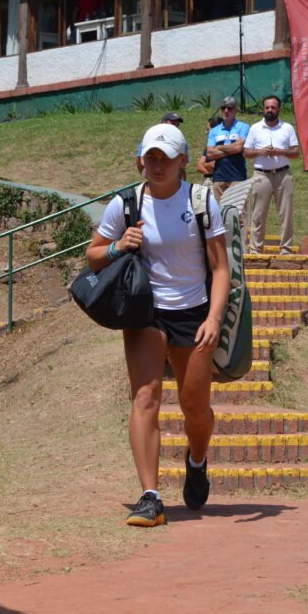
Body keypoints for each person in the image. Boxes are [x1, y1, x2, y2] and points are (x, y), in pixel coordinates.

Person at [87, 123, 230, 527]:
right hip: (146, 311)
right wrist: (118, 245)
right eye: (151, 156)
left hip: (194, 311)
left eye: (165, 157)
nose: (157, 164)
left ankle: (197, 459)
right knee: (145, 398)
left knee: (194, 407)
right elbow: (93, 256)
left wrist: (214, 319)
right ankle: (150, 496)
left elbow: (221, 269)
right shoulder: (126, 203)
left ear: (183, 161)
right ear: (140, 160)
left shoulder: (201, 201)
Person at [243, 95, 301, 254]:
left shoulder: (287, 128)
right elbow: (246, 152)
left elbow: (296, 152)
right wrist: (260, 151)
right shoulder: (255, 128)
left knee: (286, 213)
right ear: (263, 109)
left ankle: (286, 249)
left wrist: (280, 151)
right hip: (262, 175)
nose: (270, 110)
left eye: (273, 107)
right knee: (258, 214)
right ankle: (255, 249)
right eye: (267, 107)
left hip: (283, 175)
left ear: (279, 109)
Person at [205, 96, 249, 202]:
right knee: (219, 214)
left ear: (235, 110)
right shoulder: (214, 131)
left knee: (238, 214)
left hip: (237, 177)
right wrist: (232, 148)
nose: (226, 111)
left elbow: (239, 148)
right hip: (219, 178)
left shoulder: (243, 127)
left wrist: (219, 147)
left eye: (229, 108)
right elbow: (210, 154)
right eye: (223, 108)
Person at [195, 115, 221, 187]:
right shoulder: (209, 147)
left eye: (208, 129)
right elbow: (199, 167)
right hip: (209, 181)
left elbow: (217, 165)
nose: (205, 132)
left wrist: (205, 165)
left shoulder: (225, 146)